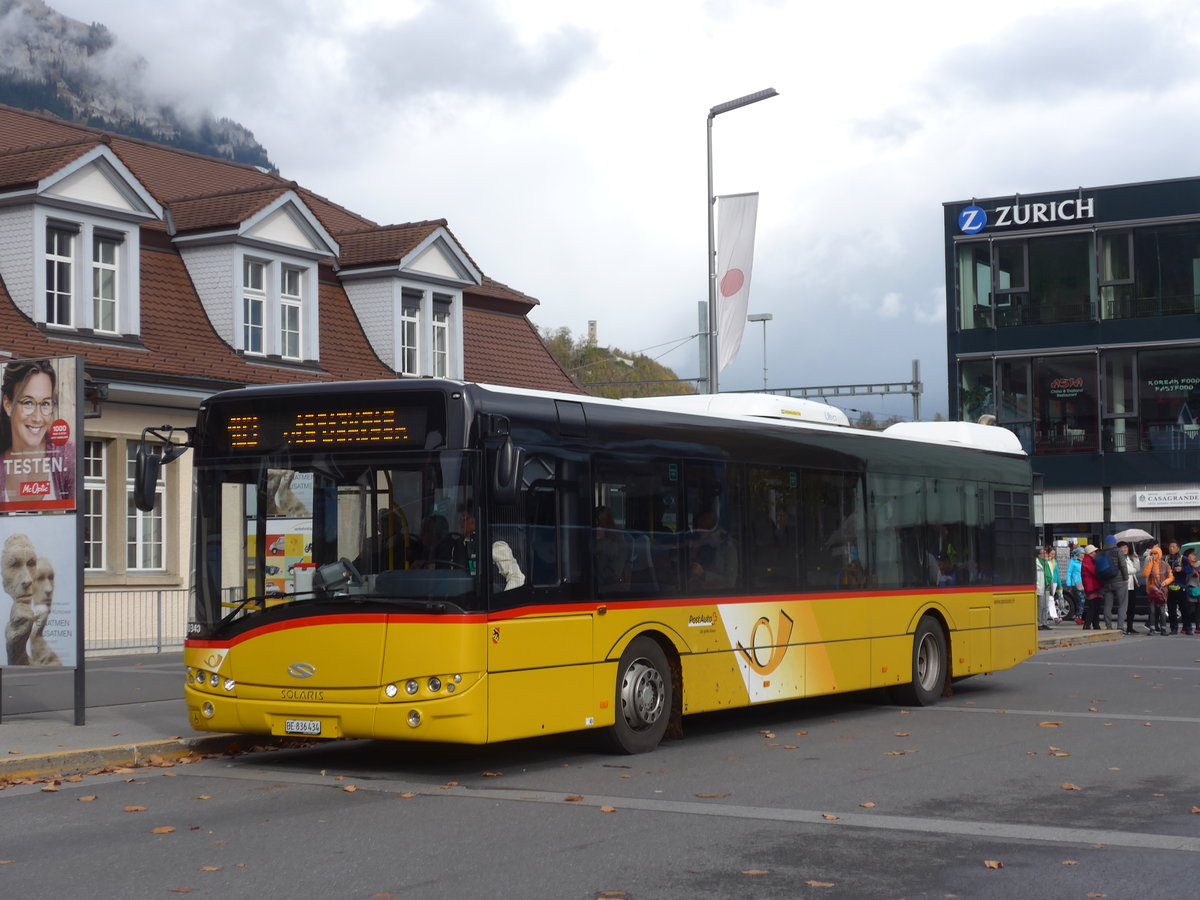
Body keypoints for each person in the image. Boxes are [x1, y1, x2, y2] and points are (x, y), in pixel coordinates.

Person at [0, 359, 74, 505]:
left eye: (45, 403)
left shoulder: (66, 456)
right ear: (8, 404)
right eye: (28, 402)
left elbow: (75, 521)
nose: (38, 417)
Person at [594, 505, 631, 593]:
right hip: (597, 587)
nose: (596, 528)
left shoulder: (618, 544)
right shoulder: (593, 542)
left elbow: (613, 574)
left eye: (599, 524)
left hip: (612, 590)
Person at [1142, 544, 1173, 635]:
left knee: (1162, 611)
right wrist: (1150, 563)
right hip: (1152, 590)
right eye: (1152, 553)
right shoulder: (1149, 564)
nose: (1154, 555)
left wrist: (1165, 582)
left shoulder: (1165, 565)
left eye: (1155, 553)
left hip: (1162, 590)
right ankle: (1152, 628)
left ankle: (1163, 629)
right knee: (1152, 610)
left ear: (1159, 554)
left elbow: (1170, 577)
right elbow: (1145, 574)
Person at [1097, 537, 1126, 631]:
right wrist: (1126, 578)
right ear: (1114, 542)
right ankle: (1120, 627)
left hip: (1106, 582)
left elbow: (1097, 570)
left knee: (1107, 605)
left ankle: (1108, 626)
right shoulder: (1118, 551)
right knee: (1122, 604)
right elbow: (1123, 565)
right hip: (1119, 581)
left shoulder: (1100, 553)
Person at [1080, 544, 1103, 630]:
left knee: (1096, 606)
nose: (1095, 553)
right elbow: (1095, 572)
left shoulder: (1090, 560)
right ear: (1090, 552)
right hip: (1092, 586)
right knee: (1093, 607)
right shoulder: (1088, 561)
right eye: (1094, 552)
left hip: (1094, 586)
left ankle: (1095, 624)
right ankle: (1088, 624)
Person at [1165, 541, 1184, 634]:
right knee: (1171, 609)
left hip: (1180, 586)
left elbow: (1189, 570)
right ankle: (1173, 628)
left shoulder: (1182, 558)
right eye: (1170, 546)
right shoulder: (1166, 558)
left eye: (1173, 546)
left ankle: (1187, 628)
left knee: (1184, 608)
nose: (1171, 548)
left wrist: (1182, 569)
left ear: (1178, 548)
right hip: (1169, 587)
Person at [1180, 548, 1199, 635]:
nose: (1195, 556)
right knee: (1189, 610)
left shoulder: (1197, 566)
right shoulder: (1186, 565)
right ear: (1187, 556)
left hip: (1197, 590)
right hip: (1189, 590)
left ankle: (1197, 627)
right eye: (1192, 554)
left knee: (1198, 609)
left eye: (1195, 555)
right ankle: (1186, 626)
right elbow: (1186, 578)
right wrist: (1193, 570)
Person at [1065, 546, 1086, 624]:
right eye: (1081, 553)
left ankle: (1079, 616)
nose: (1083, 555)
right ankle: (1078, 617)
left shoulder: (1084, 561)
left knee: (1082, 601)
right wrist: (1069, 584)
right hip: (1076, 584)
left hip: (1084, 584)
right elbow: (1069, 573)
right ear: (1078, 554)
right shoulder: (1073, 562)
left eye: (1083, 553)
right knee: (1081, 600)